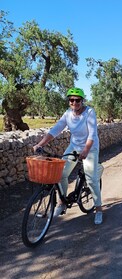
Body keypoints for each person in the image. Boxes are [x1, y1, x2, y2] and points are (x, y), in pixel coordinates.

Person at [33, 87, 103, 225]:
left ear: (82, 101)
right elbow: (56, 130)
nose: (74, 103)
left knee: (91, 179)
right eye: (71, 100)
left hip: (90, 148)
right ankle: (61, 203)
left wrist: (85, 151)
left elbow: (92, 135)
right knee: (60, 173)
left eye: (77, 100)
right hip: (74, 146)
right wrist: (40, 144)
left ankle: (99, 209)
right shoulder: (68, 114)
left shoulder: (89, 112)